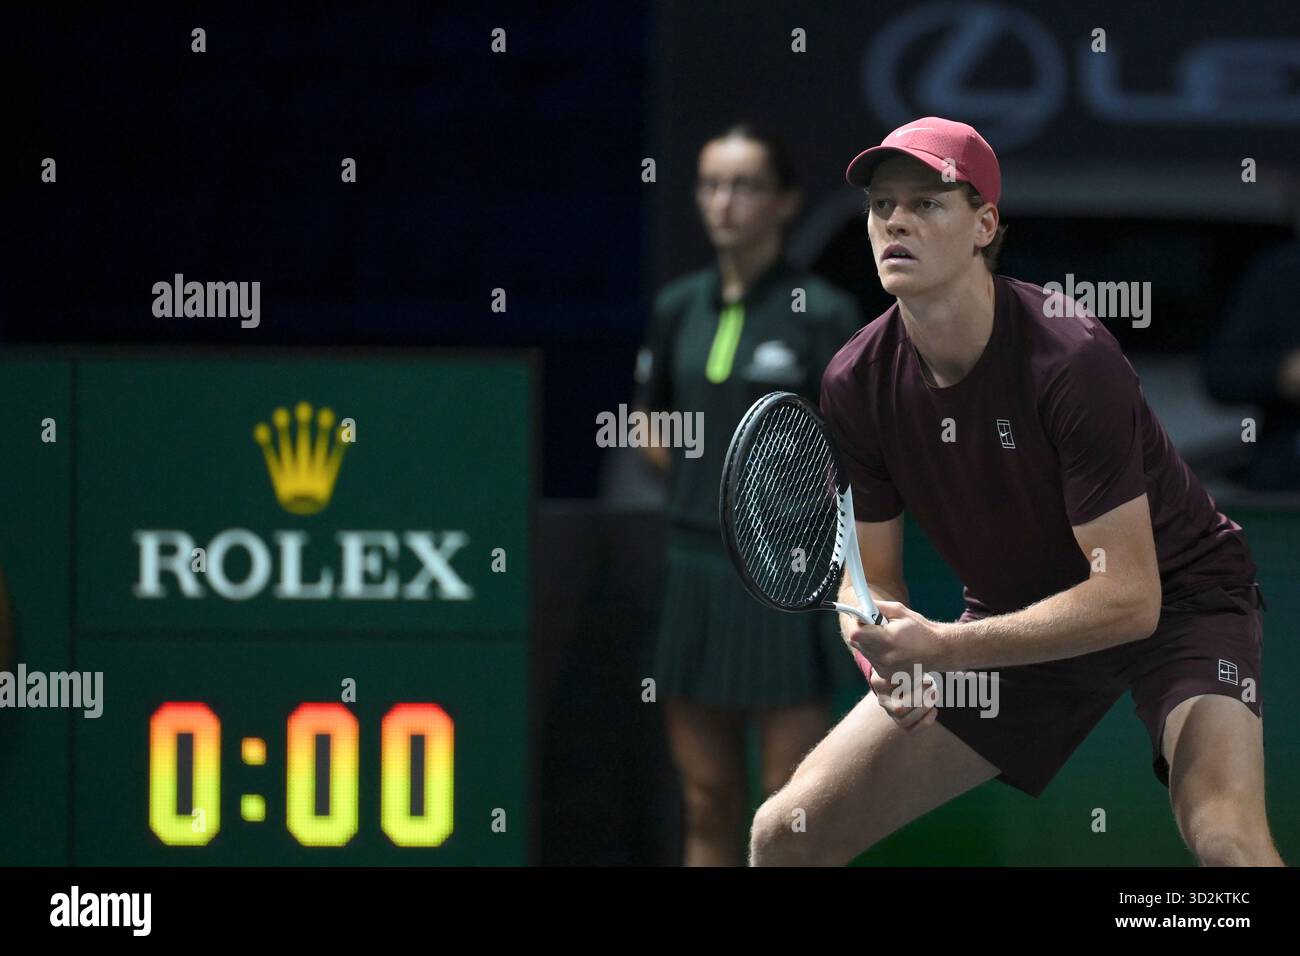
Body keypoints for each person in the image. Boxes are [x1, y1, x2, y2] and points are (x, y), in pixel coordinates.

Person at [750, 117, 1283, 866]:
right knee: (784, 837)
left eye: (927, 202)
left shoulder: (1071, 357)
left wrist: (944, 647)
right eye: (881, 205)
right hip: (1018, 621)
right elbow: (872, 581)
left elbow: (1131, 600)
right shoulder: (856, 382)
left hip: (1180, 598)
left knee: (1228, 845)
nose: (895, 219)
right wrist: (887, 662)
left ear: (984, 224)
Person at [634, 123, 864, 866]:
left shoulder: (823, 313)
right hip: (692, 567)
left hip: (784, 578)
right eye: (710, 184)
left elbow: (856, 445)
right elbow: (650, 420)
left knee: (788, 808)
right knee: (705, 797)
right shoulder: (677, 308)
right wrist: (704, 487)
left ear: (786, 201)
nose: (723, 202)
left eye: (746, 185)